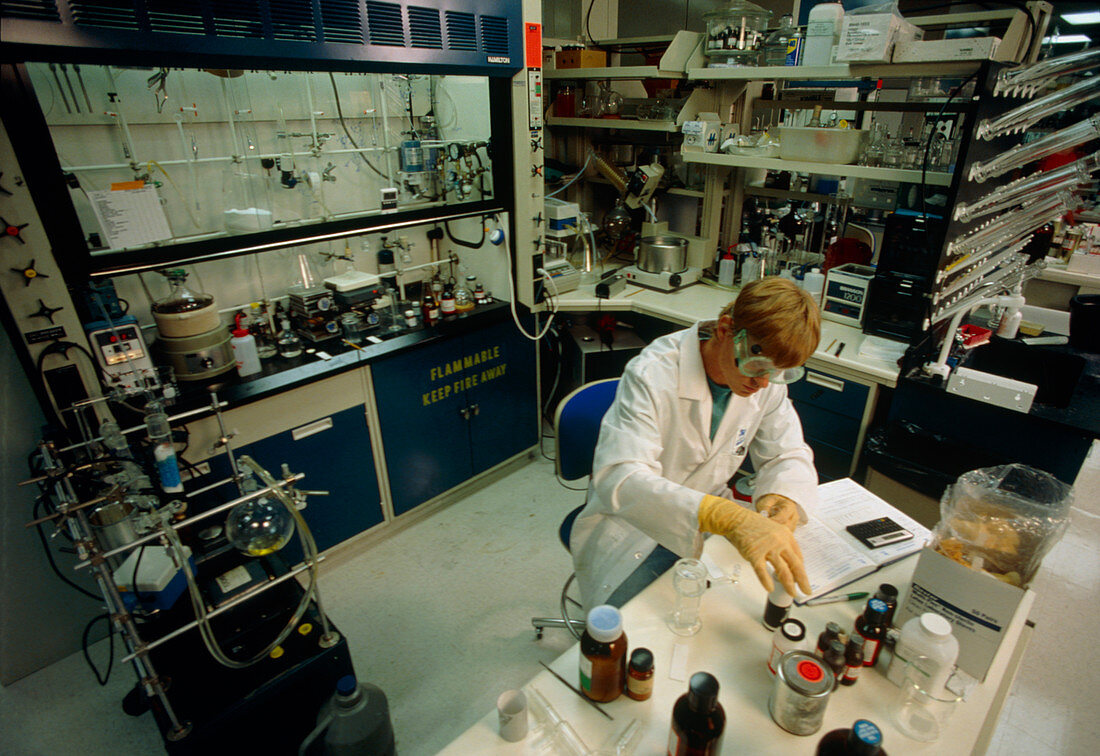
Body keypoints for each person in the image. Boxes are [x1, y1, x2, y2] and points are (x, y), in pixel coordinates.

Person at [571, 277, 821, 609]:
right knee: (644, 633)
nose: (762, 383)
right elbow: (621, 478)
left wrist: (784, 502)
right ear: (725, 329)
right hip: (631, 525)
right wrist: (722, 515)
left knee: (732, 611)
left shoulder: (766, 379)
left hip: (707, 520)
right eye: (757, 367)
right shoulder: (652, 373)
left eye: (776, 374)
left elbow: (787, 451)